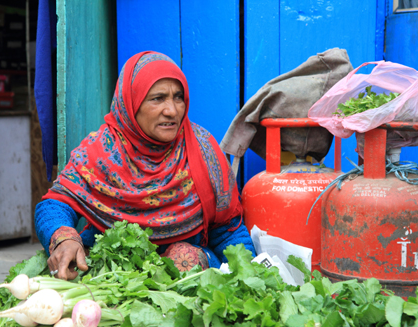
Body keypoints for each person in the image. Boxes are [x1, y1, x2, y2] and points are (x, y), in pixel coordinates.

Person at [35, 51, 255, 280]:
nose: (172, 110)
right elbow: (54, 203)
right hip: (115, 273)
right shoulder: (99, 151)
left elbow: (228, 230)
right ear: (131, 103)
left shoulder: (202, 150)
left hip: (185, 285)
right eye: (158, 98)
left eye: (178, 97)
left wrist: (249, 276)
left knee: (184, 259)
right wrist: (65, 238)